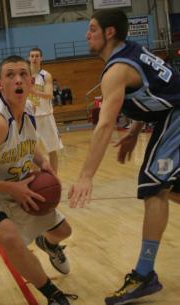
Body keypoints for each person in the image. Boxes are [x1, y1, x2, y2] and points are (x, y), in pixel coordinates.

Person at [68, 9, 180, 305]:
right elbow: (156, 91)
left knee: (153, 185)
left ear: (109, 32)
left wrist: (86, 176)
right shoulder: (133, 52)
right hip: (172, 114)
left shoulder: (116, 70)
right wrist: (134, 130)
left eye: (92, 29)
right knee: (170, 189)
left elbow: (105, 125)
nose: (86, 34)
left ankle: (144, 275)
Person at [0, 55, 77, 305]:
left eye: (23, 74)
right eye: (10, 75)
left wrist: (43, 163)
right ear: (0, 85)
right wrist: (12, 187)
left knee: (64, 231)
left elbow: (28, 144)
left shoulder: (29, 111)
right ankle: (53, 295)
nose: (18, 79)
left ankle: (48, 244)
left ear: (31, 83)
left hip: (14, 187)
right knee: (10, 237)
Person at [28, 48, 63, 174]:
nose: (34, 58)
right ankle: (34, 179)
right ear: (29, 58)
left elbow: (49, 95)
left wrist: (34, 91)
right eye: (32, 56)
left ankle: (54, 178)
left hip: (46, 116)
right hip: (30, 118)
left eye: (37, 56)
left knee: (52, 149)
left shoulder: (45, 75)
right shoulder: (24, 76)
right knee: (32, 151)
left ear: (41, 58)